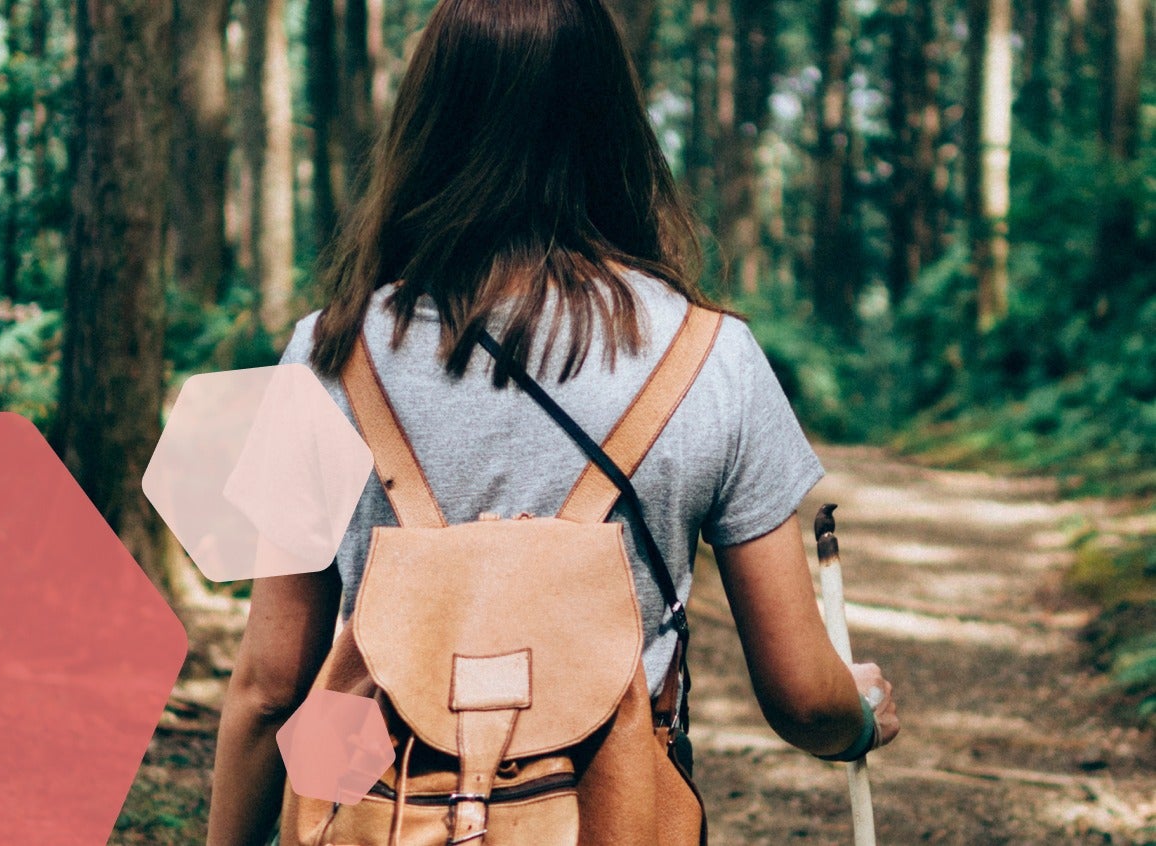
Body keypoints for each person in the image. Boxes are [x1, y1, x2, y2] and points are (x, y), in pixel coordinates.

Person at [205, 0, 899, 843]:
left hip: (378, 809)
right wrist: (855, 713)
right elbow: (800, 698)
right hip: (607, 816)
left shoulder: (328, 351)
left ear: (430, 124)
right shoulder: (712, 359)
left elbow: (270, 688)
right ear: (612, 125)